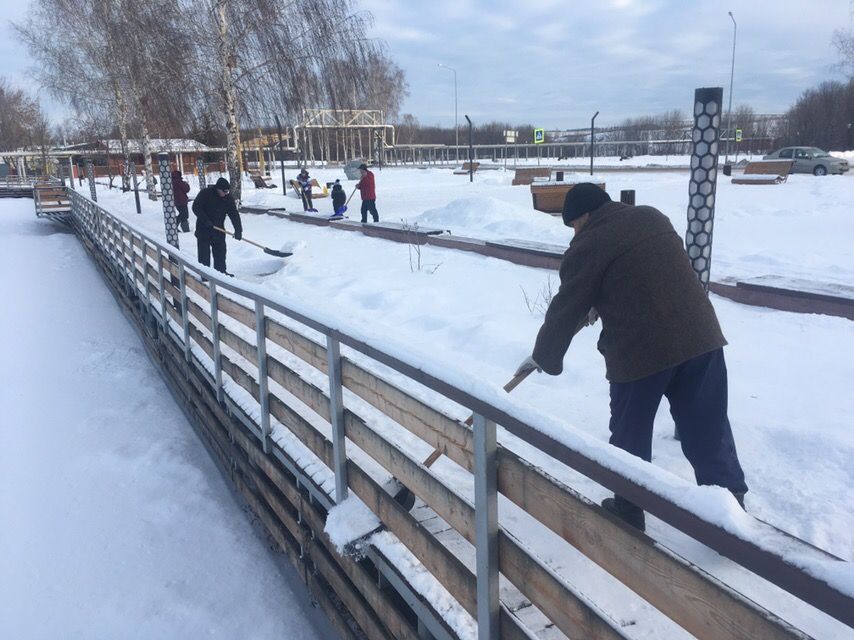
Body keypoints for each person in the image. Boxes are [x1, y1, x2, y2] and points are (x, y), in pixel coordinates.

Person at [515, 183, 747, 532]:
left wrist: (543, 356)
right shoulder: (652, 217)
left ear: (586, 216)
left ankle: (628, 508)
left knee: (629, 436)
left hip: (642, 351)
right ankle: (730, 513)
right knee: (708, 429)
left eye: (575, 225)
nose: (575, 233)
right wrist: (604, 296)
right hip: (701, 339)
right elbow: (647, 272)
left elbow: (567, 305)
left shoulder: (589, 242)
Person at [191, 177, 242, 274]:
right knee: (204, 255)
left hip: (219, 230)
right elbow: (196, 207)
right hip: (204, 230)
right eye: (224, 191)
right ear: (218, 188)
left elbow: (234, 214)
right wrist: (205, 220)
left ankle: (221, 273)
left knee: (220, 252)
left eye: (227, 191)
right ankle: (205, 275)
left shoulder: (228, 198)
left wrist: (238, 230)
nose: (226, 193)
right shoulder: (205, 193)